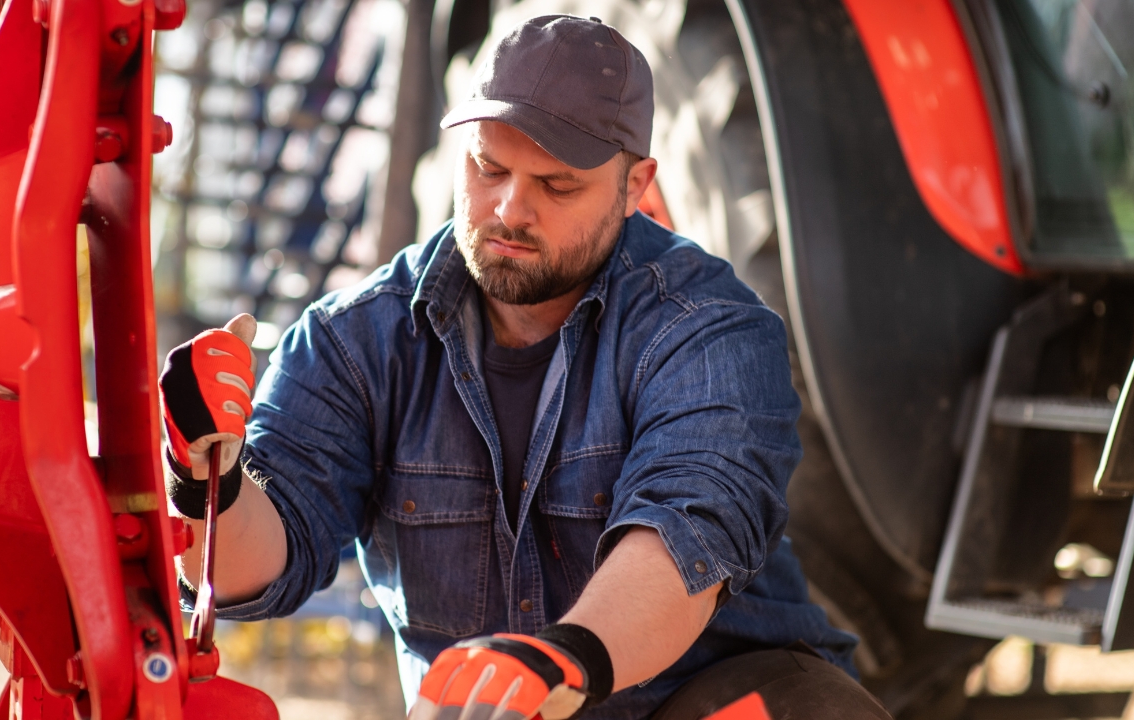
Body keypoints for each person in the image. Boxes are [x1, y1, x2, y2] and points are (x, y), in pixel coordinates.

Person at [159, 14, 892, 720]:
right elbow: (250, 572)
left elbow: (685, 537)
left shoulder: (707, 329)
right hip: (486, 711)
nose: (510, 210)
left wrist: (562, 661)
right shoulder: (354, 342)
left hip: (704, 699)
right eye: (488, 168)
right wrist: (205, 477)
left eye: (557, 185)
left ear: (635, 187)